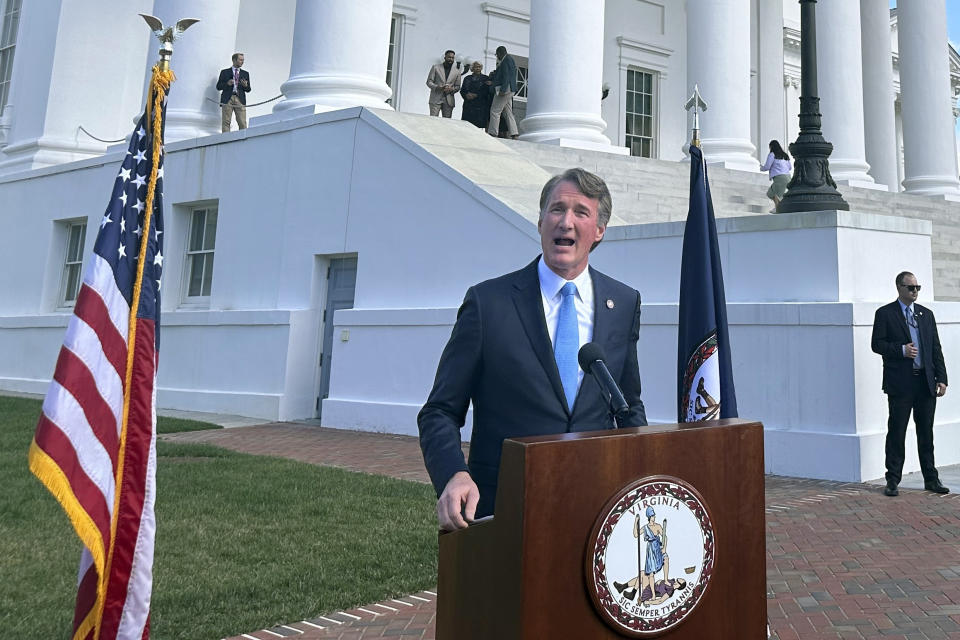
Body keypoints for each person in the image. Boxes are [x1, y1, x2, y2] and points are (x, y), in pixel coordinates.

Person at [418, 168, 647, 531]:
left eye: (580, 213)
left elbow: (629, 406)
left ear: (599, 231)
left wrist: (642, 479)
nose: (566, 223)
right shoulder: (488, 303)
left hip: (596, 510)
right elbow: (439, 412)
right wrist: (453, 475)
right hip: (505, 510)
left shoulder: (623, 303)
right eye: (557, 210)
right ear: (540, 221)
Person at [871, 271, 949, 497]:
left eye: (917, 288)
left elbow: (935, 347)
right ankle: (893, 480)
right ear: (899, 288)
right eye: (911, 287)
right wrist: (901, 350)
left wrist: (942, 378)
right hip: (901, 384)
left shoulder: (926, 314)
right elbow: (877, 344)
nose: (915, 291)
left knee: (926, 433)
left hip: (925, 383)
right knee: (897, 432)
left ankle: (931, 480)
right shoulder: (885, 313)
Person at [486, 45, 519, 139]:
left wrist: (503, 90)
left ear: (500, 53)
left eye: (497, 54)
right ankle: (514, 133)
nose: (497, 56)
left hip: (505, 90)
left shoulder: (506, 60)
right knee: (508, 112)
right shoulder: (509, 59)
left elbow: (506, 76)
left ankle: (493, 132)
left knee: (495, 110)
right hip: (510, 89)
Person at [217, 53, 251, 132]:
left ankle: (243, 141)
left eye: (243, 60)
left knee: (242, 122)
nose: (242, 62)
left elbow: (248, 89)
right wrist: (227, 84)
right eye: (240, 60)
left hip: (240, 99)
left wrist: (245, 85)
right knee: (226, 122)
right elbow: (218, 86)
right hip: (227, 99)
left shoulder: (245, 73)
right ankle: (226, 140)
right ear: (234, 60)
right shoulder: (224, 72)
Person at [426, 50, 462, 118]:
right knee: (433, 120)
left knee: (447, 122)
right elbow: (429, 82)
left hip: (449, 100)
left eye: (452, 58)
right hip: (435, 98)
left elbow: (458, 86)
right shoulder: (435, 67)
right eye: (449, 57)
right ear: (444, 57)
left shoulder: (457, 71)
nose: (450, 59)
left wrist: (451, 89)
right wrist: (438, 87)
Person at [759, 140, 791, 213]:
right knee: (771, 193)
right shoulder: (785, 155)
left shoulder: (772, 154)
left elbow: (767, 166)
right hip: (788, 178)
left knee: (775, 194)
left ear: (771, 147)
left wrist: (760, 168)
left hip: (780, 178)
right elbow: (790, 167)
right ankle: (778, 208)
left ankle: (778, 209)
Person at [459, 61, 491, 129]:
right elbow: (462, 90)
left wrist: (476, 95)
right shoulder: (467, 78)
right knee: (467, 125)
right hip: (468, 105)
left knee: (478, 126)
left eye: (479, 67)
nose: (477, 68)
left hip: (480, 106)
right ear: (472, 68)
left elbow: (487, 91)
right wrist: (466, 95)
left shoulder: (485, 78)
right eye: (476, 67)